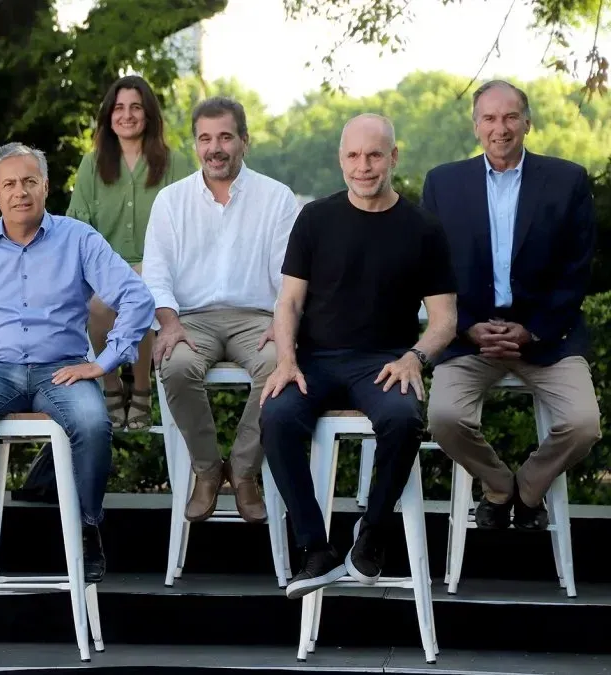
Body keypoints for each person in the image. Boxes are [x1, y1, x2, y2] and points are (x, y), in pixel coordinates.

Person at [259, 115, 457, 600]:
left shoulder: (423, 228)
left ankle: (371, 534)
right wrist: (286, 360)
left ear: (394, 157)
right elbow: (288, 302)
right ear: (340, 160)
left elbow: (445, 319)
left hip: (384, 362)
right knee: (277, 417)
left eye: (374, 155)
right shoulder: (315, 219)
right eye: (353, 156)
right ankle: (316, 549)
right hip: (318, 360)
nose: (363, 166)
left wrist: (415, 357)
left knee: (402, 418)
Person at [0, 143, 155, 581]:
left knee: (93, 425)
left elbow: (137, 297)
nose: (21, 192)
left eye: (30, 182)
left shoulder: (78, 238)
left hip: (64, 370)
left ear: (47, 187)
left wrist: (106, 361)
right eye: (10, 184)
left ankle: (89, 525)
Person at [422, 80, 601, 531]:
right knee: (444, 419)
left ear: (527, 122)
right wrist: (463, 325)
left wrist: (534, 329)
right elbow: (428, 269)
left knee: (583, 425)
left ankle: (528, 487)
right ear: (475, 125)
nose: (499, 128)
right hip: (470, 338)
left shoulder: (567, 180)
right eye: (489, 118)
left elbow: (577, 270)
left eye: (509, 117)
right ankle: (500, 486)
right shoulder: (443, 183)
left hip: (546, 337)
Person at [143, 96, 298, 524]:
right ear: (195, 145)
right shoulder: (171, 202)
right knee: (175, 365)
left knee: (278, 366)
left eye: (225, 137)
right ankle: (208, 470)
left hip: (258, 319)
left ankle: (245, 471)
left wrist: (284, 327)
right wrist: (169, 323)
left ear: (244, 141)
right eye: (205, 138)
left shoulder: (277, 198)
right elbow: (155, 274)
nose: (215, 147)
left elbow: (290, 276)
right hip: (191, 319)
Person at [67, 75, 194, 430]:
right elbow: (77, 228)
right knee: (100, 302)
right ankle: (109, 383)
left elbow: (189, 226)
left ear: (149, 115)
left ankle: (141, 386)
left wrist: (147, 267)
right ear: (108, 116)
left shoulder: (177, 163)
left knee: (140, 293)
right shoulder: (91, 165)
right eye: (119, 108)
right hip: (102, 269)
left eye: (136, 107)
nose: (127, 115)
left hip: (160, 268)